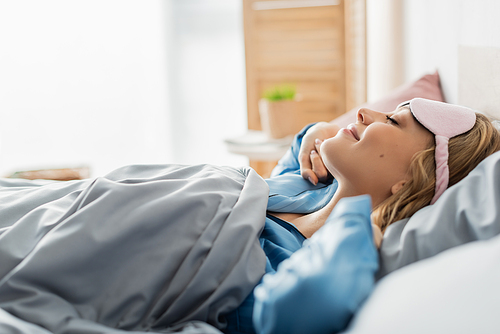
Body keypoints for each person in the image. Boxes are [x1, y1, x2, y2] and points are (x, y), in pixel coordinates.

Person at [228, 98, 500, 333]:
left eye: (392, 121)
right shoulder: (311, 185)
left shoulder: (317, 253)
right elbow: (297, 152)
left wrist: (357, 226)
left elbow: (289, 314)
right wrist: (319, 130)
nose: (363, 112)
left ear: (411, 180)